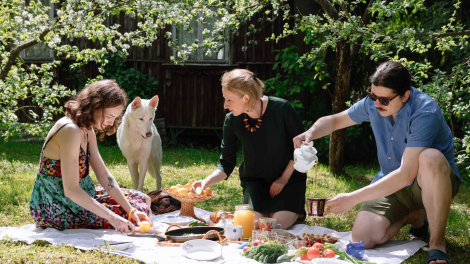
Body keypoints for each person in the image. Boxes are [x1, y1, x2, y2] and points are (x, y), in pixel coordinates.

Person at [294, 62, 459, 264]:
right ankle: (415, 216)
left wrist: (352, 198)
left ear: (405, 95)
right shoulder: (374, 103)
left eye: (383, 99)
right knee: (363, 238)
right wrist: (310, 133)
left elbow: (406, 174)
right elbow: (336, 121)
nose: (375, 103)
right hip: (392, 183)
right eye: (372, 96)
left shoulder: (425, 111)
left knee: (429, 157)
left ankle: (437, 244)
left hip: (429, 181)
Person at [29, 79, 151, 233]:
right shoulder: (70, 130)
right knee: (136, 214)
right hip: (56, 205)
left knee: (142, 201)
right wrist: (112, 217)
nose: (112, 122)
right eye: (109, 116)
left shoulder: (87, 130)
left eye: (115, 117)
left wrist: (130, 210)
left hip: (83, 195)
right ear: (96, 106)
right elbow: (71, 190)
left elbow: (103, 174)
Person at [191, 69, 306, 229]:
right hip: (255, 182)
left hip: (289, 180)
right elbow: (226, 163)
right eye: (225, 99)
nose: (225, 105)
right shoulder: (231, 120)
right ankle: (270, 210)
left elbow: (302, 149)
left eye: (229, 100)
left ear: (246, 98)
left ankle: (295, 210)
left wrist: (284, 178)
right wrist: (206, 182)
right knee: (254, 225)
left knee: (275, 225)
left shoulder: (281, 108)